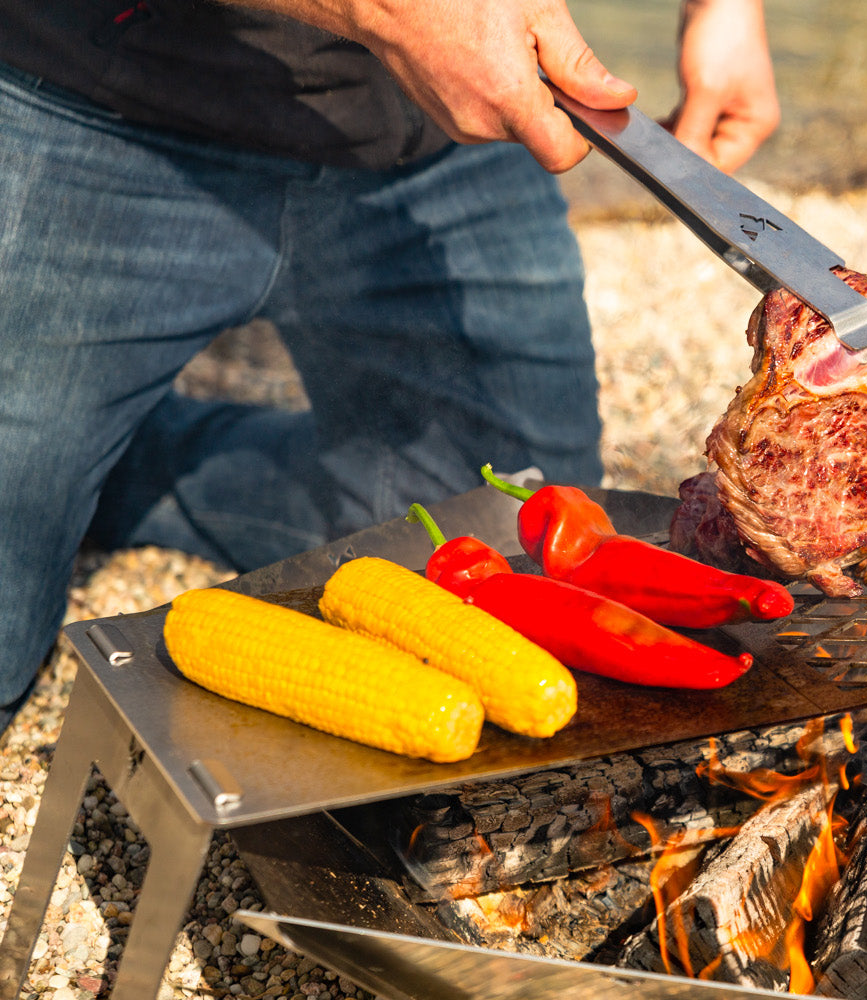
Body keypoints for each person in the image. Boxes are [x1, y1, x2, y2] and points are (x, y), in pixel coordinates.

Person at [0, 0, 780, 728]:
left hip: (435, 133)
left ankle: (117, 464)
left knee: (504, 536)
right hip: (92, 102)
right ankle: (76, 445)